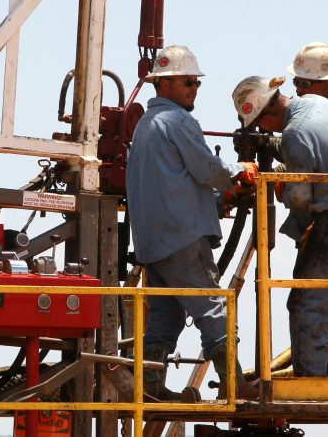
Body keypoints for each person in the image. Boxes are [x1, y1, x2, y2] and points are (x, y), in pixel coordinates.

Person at [126, 45, 259, 400]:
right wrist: (239, 172)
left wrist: (217, 198)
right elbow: (207, 168)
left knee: (165, 315)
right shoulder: (178, 121)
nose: (194, 89)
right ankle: (234, 384)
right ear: (165, 84)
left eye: (196, 83)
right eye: (188, 82)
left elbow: (173, 183)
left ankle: (151, 387)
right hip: (182, 238)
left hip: (152, 244)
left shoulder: (144, 127)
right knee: (212, 306)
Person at [231, 75, 328, 377]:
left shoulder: (295, 133)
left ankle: (310, 383)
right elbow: (310, 146)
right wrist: (269, 145)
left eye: (261, 125)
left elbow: (300, 197)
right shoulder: (315, 104)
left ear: (267, 113)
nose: (263, 130)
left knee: (306, 303)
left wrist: (274, 185)